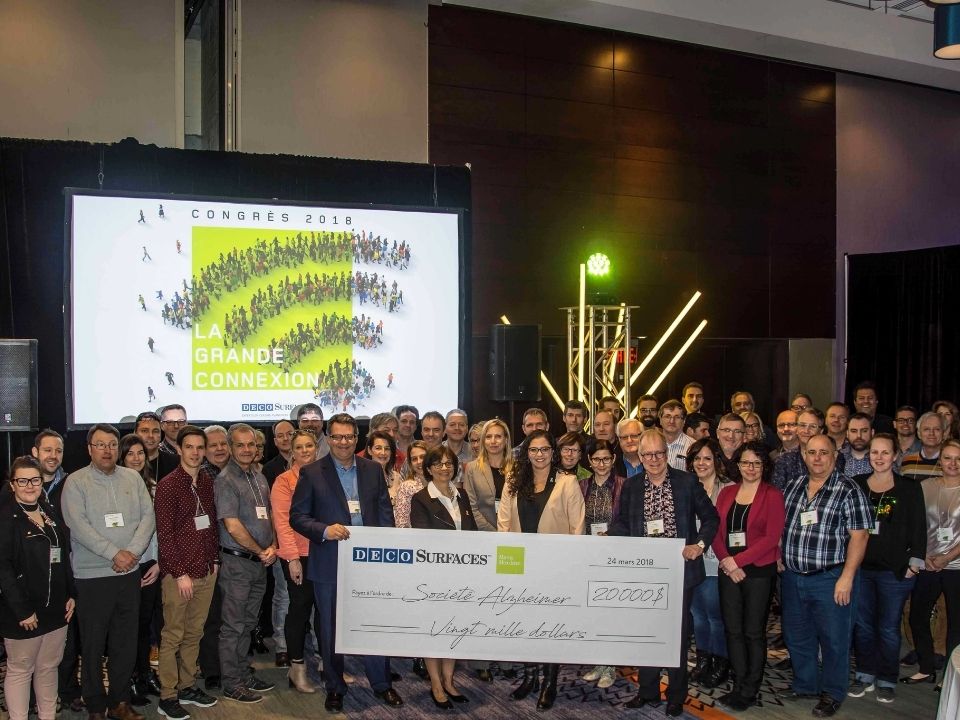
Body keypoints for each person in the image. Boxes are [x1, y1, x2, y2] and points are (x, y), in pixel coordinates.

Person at [289, 413, 403, 712]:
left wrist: (386, 553)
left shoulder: (372, 470)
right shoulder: (312, 473)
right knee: (330, 629)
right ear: (328, 439)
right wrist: (324, 530)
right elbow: (297, 517)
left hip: (369, 563)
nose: (343, 442)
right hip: (329, 562)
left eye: (349, 437)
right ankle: (335, 687)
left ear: (356, 438)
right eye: (337, 436)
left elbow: (385, 513)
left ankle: (382, 684)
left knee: (373, 624)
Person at [608, 428, 719, 716]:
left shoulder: (686, 482)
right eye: (648, 454)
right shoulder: (631, 487)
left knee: (675, 636)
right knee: (646, 635)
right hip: (645, 574)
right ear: (640, 456)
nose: (654, 459)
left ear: (667, 453)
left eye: (659, 453)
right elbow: (622, 523)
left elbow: (711, 518)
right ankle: (647, 691)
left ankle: (676, 695)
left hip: (679, 573)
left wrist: (699, 545)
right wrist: (608, 538)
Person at [61, 423, 156, 720]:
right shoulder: (76, 482)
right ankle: (95, 705)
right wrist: (115, 553)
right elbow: (78, 525)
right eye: (100, 445)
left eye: (112, 445)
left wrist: (132, 554)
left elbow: (148, 517)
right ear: (89, 449)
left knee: (124, 642)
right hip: (92, 577)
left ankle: (119, 701)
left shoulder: (132, 478)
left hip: (128, 575)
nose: (107, 450)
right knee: (92, 644)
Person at [778, 434, 872, 718]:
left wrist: (847, 577)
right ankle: (806, 684)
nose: (817, 458)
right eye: (811, 452)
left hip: (830, 578)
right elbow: (783, 525)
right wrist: (780, 554)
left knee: (834, 639)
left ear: (835, 455)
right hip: (793, 577)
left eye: (823, 452)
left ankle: (833, 692)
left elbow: (860, 536)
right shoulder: (794, 486)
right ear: (804, 455)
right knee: (797, 635)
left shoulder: (849, 490)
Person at [497, 430, 585, 710]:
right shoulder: (513, 482)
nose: (539, 455)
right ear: (526, 453)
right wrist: (506, 566)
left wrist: (569, 566)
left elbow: (577, 529)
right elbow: (504, 525)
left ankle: (549, 681)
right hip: (520, 566)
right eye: (533, 450)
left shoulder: (567, 482)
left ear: (552, 452)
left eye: (545, 449)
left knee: (550, 626)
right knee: (524, 624)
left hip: (554, 567)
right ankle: (530, 676)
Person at [846, 434, 926, 703]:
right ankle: (865, 674)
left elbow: (919, 528)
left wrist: (915, 564)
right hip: (861, 568)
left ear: (894, 456)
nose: (878, 458)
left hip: (895, 571)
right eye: (874, 452)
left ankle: (887, 679)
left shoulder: (909, 488)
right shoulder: (857, 485)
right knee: (863, 626)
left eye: (884, 452)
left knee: (889, 628)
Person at [0, 456, 76, 720]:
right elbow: (3, 570)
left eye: (35, 480)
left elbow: (63, 556)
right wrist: (22, 610)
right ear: (12, 484)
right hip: (23, 611)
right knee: (21, 670)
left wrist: (71, 594)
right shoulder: (6, 518)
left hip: (56, 607)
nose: (30, 486)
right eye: (22, 481)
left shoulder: (47, 510)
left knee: (48, 667)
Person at [153, 425, 220, 719]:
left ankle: (187, 685)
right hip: (179, 575)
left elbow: (211, 524)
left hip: (206, 569)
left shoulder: (206, 481)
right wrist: (180, 573)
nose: (195, 453)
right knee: (173, 635)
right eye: (189, 447)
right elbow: (165, 535)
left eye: (199, 447)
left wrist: (215, 560)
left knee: (195, 633)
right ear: (179, 449)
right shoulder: (168, 485)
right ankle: (167, 695)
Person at [712, 443, 785, 711]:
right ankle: (739, 682)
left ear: (764, 466)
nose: (751, 468)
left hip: (758, 571)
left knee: (753, 632)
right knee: (732, 630)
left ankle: (750, 689)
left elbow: (771, 538)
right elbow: (716, 532)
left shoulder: (772, 495)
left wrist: (738, 561)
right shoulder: (727, 493)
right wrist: (728, 562)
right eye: (745, 462)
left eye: (756, 463)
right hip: (729, 570)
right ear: (738, 465)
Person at [410, 445, 478, 708]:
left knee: (454, 629)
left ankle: (449, 681)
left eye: (449, 463)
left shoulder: (461, 494)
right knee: (434, 630)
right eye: (438, 464)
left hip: (463, 575)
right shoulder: (421, 499)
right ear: (428, 468)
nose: (444, 468)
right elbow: (424, 540)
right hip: (435, 577)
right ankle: (436, 684)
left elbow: (472, 532)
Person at [214, 423, 277, 704]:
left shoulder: (258, 476)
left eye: (251, 444)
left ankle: (242, 673)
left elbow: (269, 515)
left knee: (249, 622)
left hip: (259, 562)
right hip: (237, 563)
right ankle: (232, 682)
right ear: (230, 448)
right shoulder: (225, 479)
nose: (247, 449)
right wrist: (261, 550)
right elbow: (232, 525)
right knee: (233, 626)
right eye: (240, 445)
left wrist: (272, 545)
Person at [906, 438, 960, 690]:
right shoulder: (925, 487)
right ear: (940, 460)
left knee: (955, 624)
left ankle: (949, 678)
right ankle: (926, 668)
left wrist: (948, 557)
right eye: (948, 458)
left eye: (958, 459)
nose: (953, 463)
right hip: (928, 563)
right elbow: (915, 524)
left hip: (956, 566)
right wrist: (924, 554)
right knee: (917, 617)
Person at [271, 430, 322, 694]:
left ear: (316, 448)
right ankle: (297, 668)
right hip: (297, 555)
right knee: (300, 609)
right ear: (292, 451)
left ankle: (328, 663)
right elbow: (282, 523)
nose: (304, 451)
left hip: (324, 552)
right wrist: (292, 558)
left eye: (309, 446)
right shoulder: (283, 481)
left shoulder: (326, 477)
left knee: (324, 610)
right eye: (299, 447)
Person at [117, 434, 161, 707]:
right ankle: (129, 678)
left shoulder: (154, 486)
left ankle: (144, 674)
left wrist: (157, 562)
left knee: (145, 625)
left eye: (140, 453)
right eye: (130, 453)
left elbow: (160, 529)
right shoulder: (113, 487)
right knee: (127, 628)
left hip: (149, 564)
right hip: (123, 565)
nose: (136, 458)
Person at [686, 438, 733, 690]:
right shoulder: (686, 486)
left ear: (716, 460)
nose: (701, 463)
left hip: (717, 561)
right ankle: (703, 661)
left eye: (707, 458)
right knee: (698, 615)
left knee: (715, 616)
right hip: (691, 562)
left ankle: (719, 664)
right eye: (697, 458)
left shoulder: (729, 489)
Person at [579, 440, 624, 690]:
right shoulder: (581, 486)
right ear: (589, 461)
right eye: (596, 459)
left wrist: (611, 535)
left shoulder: (624, 486)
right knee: (593, 612)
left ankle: (610, 666)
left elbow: (627, 520)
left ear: (613, 459)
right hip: (589, 557)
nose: (601, 464)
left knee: (611, 613)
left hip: (614, 557)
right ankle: (598, 663)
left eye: (606, 459)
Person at [463, 419, 514, 532]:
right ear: (483, 440)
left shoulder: (517, 468)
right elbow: (471, 508)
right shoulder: (472, 468)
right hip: (484, 533)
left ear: (506, 439)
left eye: (498, 436)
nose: (493, 441)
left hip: (513, 532)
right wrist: (493, 532)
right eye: (488, 437)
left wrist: (508, 531)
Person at [134, 413, 178, 489]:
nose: (150, 436)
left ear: (161, 435)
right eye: (144, 431)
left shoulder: (176, 463)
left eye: (155, 431)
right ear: (135, 433)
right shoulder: (122, 462)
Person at [900, 411, 946, 482]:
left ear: (944, 434)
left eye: (937, 429)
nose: (931, 433)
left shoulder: (950, 463)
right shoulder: (907, 461)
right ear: (919, 434)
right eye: (926, 429)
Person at [393, 441, 429, 529]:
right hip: (414, 536)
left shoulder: (439, 483)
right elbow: (401, 523)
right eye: (414, 459)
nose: (419, 461)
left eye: (422, 457)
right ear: (410, 463)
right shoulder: (406, 487)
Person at [365, 430, 402, 502]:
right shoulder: (361, 476)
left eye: (387, 449)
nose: (383, 453)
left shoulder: (396, 477)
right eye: (378, 448)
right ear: (369, 450)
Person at [659, 400, 693, 471]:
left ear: (684, 421)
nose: (672, 421)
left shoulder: (693, 446)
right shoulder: (651, 444)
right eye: (667, 416)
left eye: (677, 417)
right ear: (660, 420)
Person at [262, 420, 295, 487]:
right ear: (275, 441)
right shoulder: (268, 469)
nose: (285, 438)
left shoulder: (307, 462)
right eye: (280, 436)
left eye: (290, 434)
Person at [840, 412, 874, 479]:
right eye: (854, 431)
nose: (859, 436)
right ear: (847, 433)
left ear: (872, 432)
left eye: (864, 431)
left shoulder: (882, 459)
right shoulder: (837, 458)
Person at [716, 413, 746, 482]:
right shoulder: (707, 457)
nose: (731, 436)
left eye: (737, 431)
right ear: (717, 433)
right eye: (727, 430)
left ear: (744, 436)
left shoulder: (752, 460)